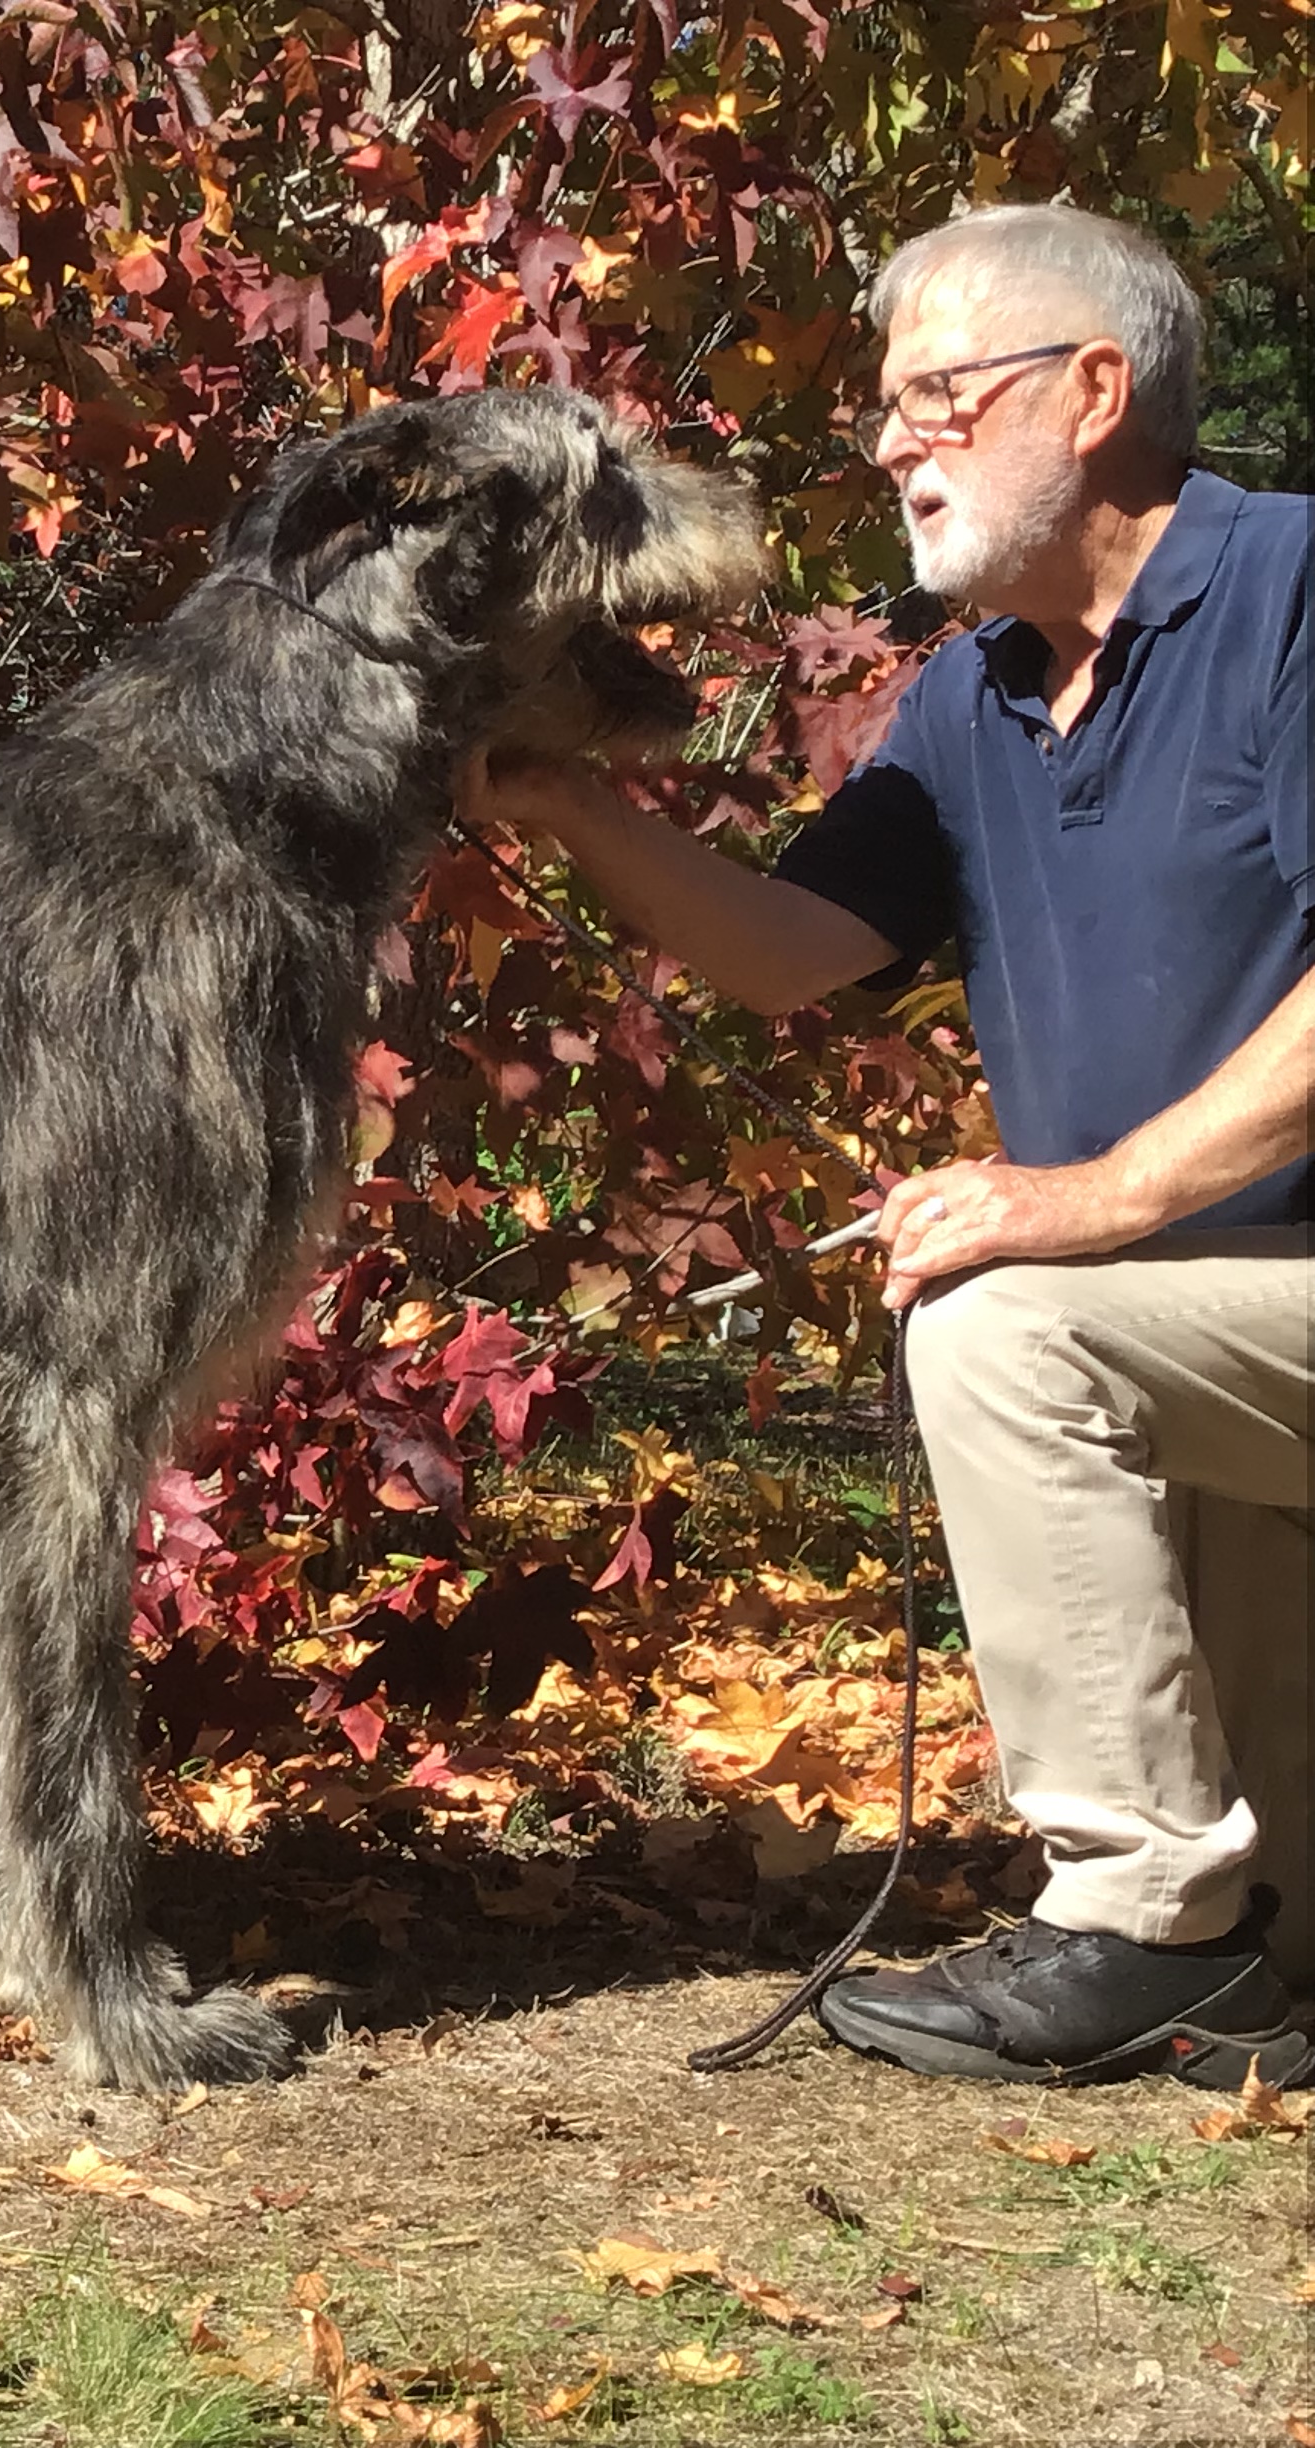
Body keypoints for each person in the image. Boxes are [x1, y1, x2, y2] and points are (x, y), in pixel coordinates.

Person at [463, 201, 1313, 2089]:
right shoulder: (976, 693)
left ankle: (1133, 1913)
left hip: (1227, 1305)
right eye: (885, 406)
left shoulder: (1299, 594)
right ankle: (1222, 1941)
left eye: (936, 394)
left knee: (1007, 1324)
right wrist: (564, 798)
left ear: (1095, 393)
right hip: (1226, 1340)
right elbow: (789, 954)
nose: (888, 441)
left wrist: (1077, 1199)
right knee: (1296, 1942)